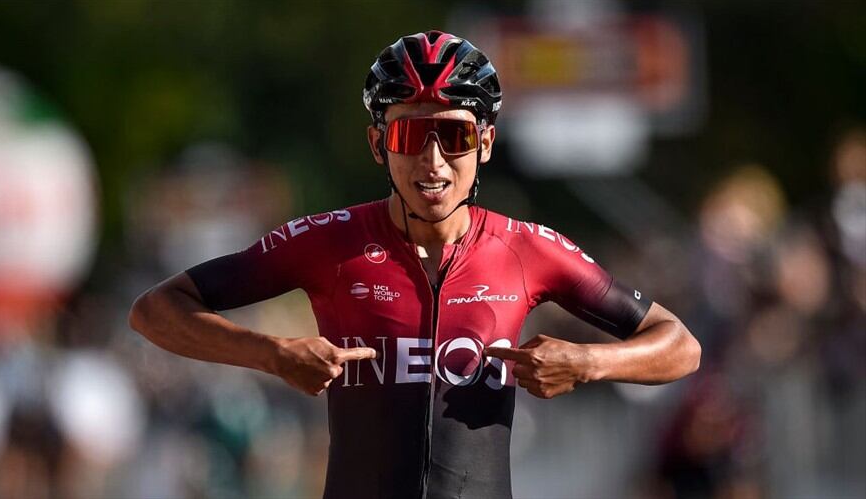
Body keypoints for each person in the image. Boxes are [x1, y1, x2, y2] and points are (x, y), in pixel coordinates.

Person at [129, 30, 701, 499]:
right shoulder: (330, 242)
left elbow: (679, 345)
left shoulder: (527, 247)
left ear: (486, 143)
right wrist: (272, 355)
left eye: (453, 135)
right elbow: (155, 311)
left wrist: (586, 362)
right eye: (410, 133)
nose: (433, 162)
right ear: (380, 145)